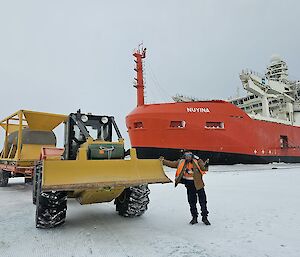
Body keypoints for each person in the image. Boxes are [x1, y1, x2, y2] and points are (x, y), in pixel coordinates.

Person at [160, 151, 211, 225]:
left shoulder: (197, 161)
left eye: (189, 155)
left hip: (199, 185)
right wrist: (163, 161)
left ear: (192, 156)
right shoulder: (181, 162)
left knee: (203, 202)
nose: (188, 157)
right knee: (192, 202)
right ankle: (194, 217)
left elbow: (204, 168)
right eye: (186, 155)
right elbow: (172, 164)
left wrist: (206, 164)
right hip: (189, 185)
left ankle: (205, 218)